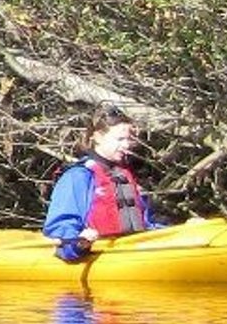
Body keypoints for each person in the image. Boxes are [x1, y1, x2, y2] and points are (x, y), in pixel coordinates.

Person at [45, 112, 162, 262]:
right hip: (95, 253)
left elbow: (147, 221)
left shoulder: (124, 174)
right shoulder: (78, 176)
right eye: (120, 139)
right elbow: (61, 228)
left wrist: (178, 231)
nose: (126, 145)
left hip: (131, 248)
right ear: (98, 137)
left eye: (128, 139)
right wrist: (79, 243)